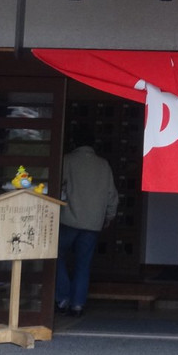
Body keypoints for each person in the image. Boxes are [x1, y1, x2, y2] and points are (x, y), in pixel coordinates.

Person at [55, 132, 118, 317]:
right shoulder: (103, 164)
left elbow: (55, 184)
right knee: (84, 264)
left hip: (68, 219)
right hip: (92, 223)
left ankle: (63, 297)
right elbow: (111, 195)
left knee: (55, 255)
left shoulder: (67, 160)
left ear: (74, 143)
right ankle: (77, 305)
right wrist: (109, 216)